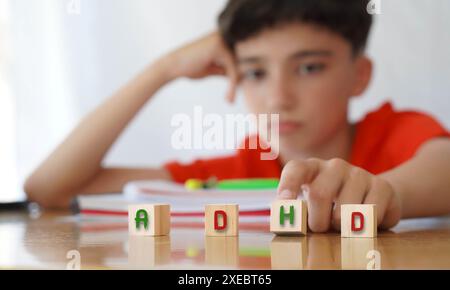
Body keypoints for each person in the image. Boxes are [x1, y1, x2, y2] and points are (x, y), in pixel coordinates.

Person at [25, 0, 450, 232]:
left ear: (359, 76)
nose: (277, 98)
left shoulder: (398, 131)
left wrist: (384, 193)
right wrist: (164, 69)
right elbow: (51, 188)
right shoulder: (238, 171)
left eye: (309, 67)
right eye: (255, 72)